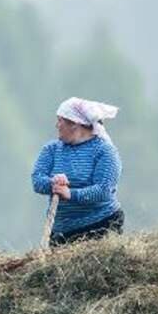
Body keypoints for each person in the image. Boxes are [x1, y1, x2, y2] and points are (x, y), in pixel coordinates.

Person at [31, 96, 124, 246]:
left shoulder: (105, 151)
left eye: (60, 120)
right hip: (61, 233)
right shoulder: (51, 149)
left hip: (100, 226)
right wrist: (53, 183)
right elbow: (37, 180)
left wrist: (70, 194)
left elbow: (104, 189)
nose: (56, 125)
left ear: (74, 124)